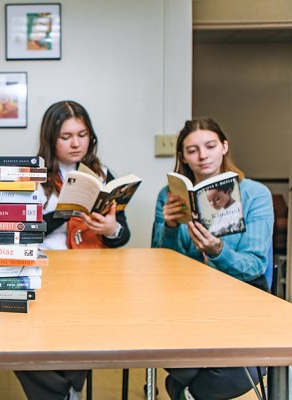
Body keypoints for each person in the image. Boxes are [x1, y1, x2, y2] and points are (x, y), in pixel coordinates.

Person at [15, 100, 131, 400]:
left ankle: (64, 389)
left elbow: (122, 234)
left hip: (92, 275)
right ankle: (62, 391)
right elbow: (18, 234)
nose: (76, 143)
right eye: (66, 137)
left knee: (82, 336)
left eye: (82, 134)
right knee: (19, 339)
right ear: (50, 139)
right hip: (42, 272)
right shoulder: (32, 177)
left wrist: (110, 229)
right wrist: (64, 212)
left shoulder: (103, 174)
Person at [152, 117, 273, 400]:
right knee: (183, 356)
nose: (203, 155)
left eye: (210, 146)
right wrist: (170, 229)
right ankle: (184, 385)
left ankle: (184, 391)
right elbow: (159, 265)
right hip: (186, 302)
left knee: (243, 370)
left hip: (243, 298)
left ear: (224, 147)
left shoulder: (255, 195)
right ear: (182, 156)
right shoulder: (169, 196)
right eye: (192, 150)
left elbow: (255, 264)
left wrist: (218, 250)